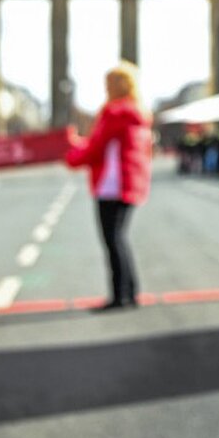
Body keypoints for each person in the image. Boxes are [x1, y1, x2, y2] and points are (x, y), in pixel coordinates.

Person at [64, 63, 152, 311]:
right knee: (120, 238)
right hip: (130, 184)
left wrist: (71, 155)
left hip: (111, 185)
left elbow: (95, 147)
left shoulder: (114, 113)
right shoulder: (137, 113)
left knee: (112, 240)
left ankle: (119, 296)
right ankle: (130, 292)